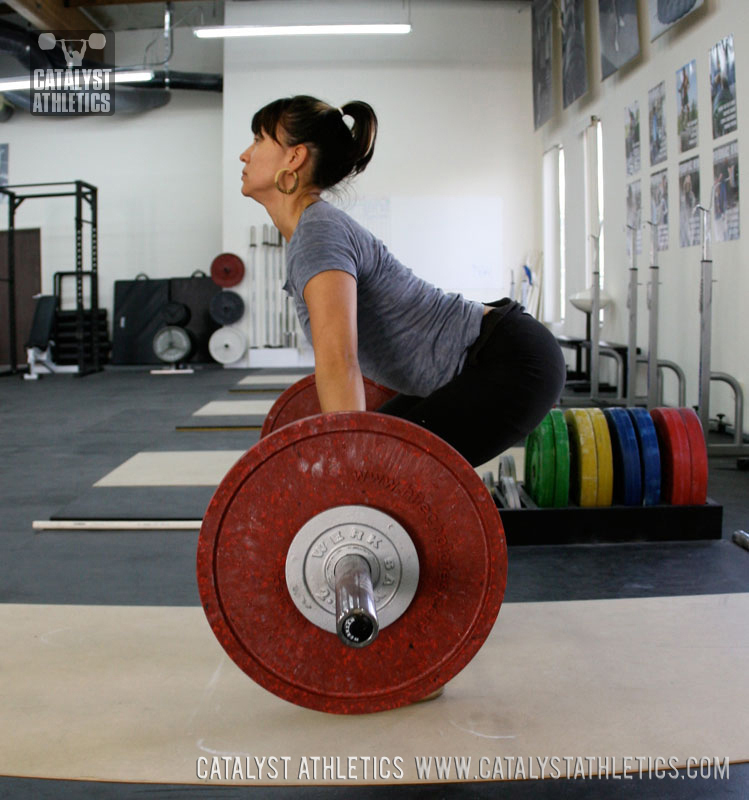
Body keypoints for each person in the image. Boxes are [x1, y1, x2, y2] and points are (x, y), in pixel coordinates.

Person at [239, 95, 566, 467]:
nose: (244, 155)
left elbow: (339, 361)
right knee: (384, 460)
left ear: (294, 158)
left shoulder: (318, 233)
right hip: (487, 359)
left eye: (258, 139)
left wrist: (349, 464)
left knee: (383, 470)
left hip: (508, 363)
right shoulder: (314, 231)